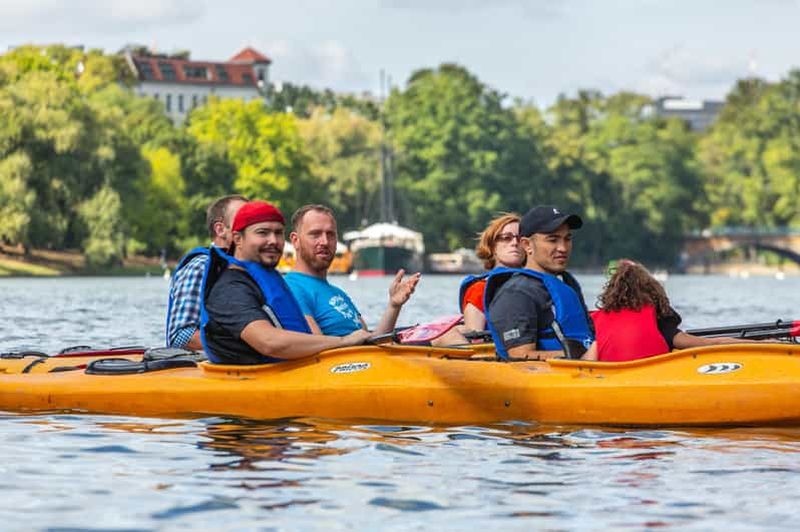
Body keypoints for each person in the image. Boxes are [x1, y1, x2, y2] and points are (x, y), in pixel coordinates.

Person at [202, 201, 370, 365]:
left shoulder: (266, 283)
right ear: (238, 239)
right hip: (251, 381)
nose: (273, 241)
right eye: (263, 233)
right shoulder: (229, 290)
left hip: (289, 373)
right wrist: (343, 341)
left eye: (278, 233)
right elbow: (269, 342)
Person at [284, 204, 421, 336]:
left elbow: (370, 342)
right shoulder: (290, 288)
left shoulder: (338, 293)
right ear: (295, 240)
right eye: (315, 234)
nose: (325, 242)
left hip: (364, 358)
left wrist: (394, 305)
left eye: (330, 234)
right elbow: (315, 347)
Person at [587, 259, 756, 362]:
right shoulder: (660, 323)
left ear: (611, 292)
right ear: (651, 291)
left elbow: (584, 362)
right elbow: (713, 344)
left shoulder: (595, 322)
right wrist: (765, 344)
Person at [485, 205, 596, 360]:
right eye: (553, 240)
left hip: (588, 371)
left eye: (567, 239)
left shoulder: (567, 284)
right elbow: (520, 356)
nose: (563, 248)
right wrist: (581, 356)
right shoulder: (516, 293)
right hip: (554, 377)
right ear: (527, 245)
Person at [166, 194, 247, 350]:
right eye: (243, 221)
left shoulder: (251, 269)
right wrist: (246, 347)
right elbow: (181, 336)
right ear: (220, 229)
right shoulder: (201, 267)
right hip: (204, 368)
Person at [459, 213, 525, 332]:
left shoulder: (536, 284)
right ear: (492, 246)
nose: (515, 243)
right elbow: (475, 337)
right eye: (507, 238)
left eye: (521, 239)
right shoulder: (479, 289)